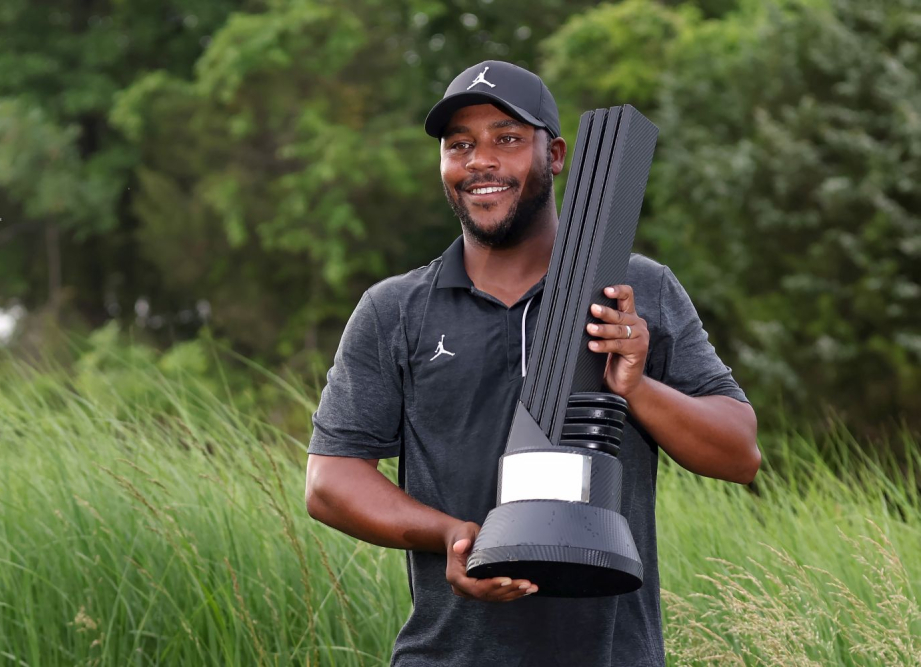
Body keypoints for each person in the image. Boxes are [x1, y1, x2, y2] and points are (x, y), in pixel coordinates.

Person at [305, 60, 760, 667]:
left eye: (508, 139)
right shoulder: (395, 311)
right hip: (446, 655)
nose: (480, 161)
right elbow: (330, 482)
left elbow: (738, 455)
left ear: (556, 154)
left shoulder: (637, 289)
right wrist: (454, 536)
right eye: (459, 145)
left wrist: (637, 387)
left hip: (614, 655)